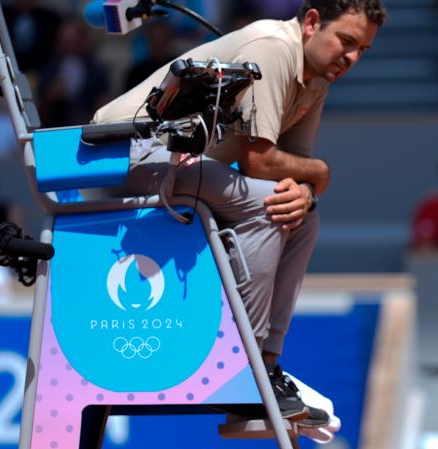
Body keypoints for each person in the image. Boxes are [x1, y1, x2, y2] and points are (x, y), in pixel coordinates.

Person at [91, 0, 386, 423]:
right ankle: (236, 368)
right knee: (267, 208)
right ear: (312, 22)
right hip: (124, 153)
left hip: (184, 163)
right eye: (347, 41)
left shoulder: (316, 78)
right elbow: (261, 163)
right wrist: (320, 174)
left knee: (300, 216)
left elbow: (290, 164)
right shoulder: (272, 47)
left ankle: (265, 364)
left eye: (363, 50)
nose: (353, 57)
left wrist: (305, 192)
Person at [38, 18, 109, 128]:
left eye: (74, 42)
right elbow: (39, 112)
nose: (70, 47)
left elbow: (103, 106)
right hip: (56, 127)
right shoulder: (49, 69)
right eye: (65, 42)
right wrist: (51, 96)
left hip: (86, 128)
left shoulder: (96, 70)